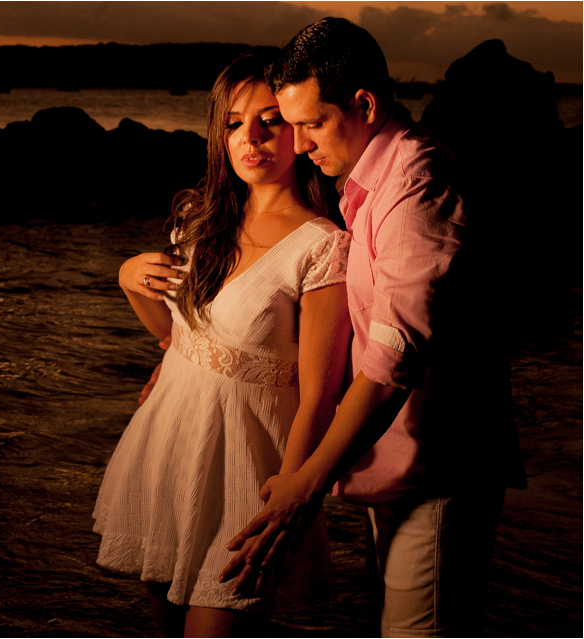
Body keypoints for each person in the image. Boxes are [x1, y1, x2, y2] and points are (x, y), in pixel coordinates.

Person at [219, 18, 526, 638]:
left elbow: (391, 360)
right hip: (400, 463)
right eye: (292, 124)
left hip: (438, 472)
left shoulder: (418, 189)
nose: (298, 143)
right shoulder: (372, 181)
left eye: (312, 123)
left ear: (363, 105)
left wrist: (305, 484)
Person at [92, 53, 352, 637]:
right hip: (167, 446)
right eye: (234, 123)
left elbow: (320, 394)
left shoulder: (322, 246)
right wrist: (128, 278)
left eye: (270, 121)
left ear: (298, 130)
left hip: (247, 472)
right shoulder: (201, 218)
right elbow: (173, 336)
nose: (250, 138)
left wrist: (292, 492)